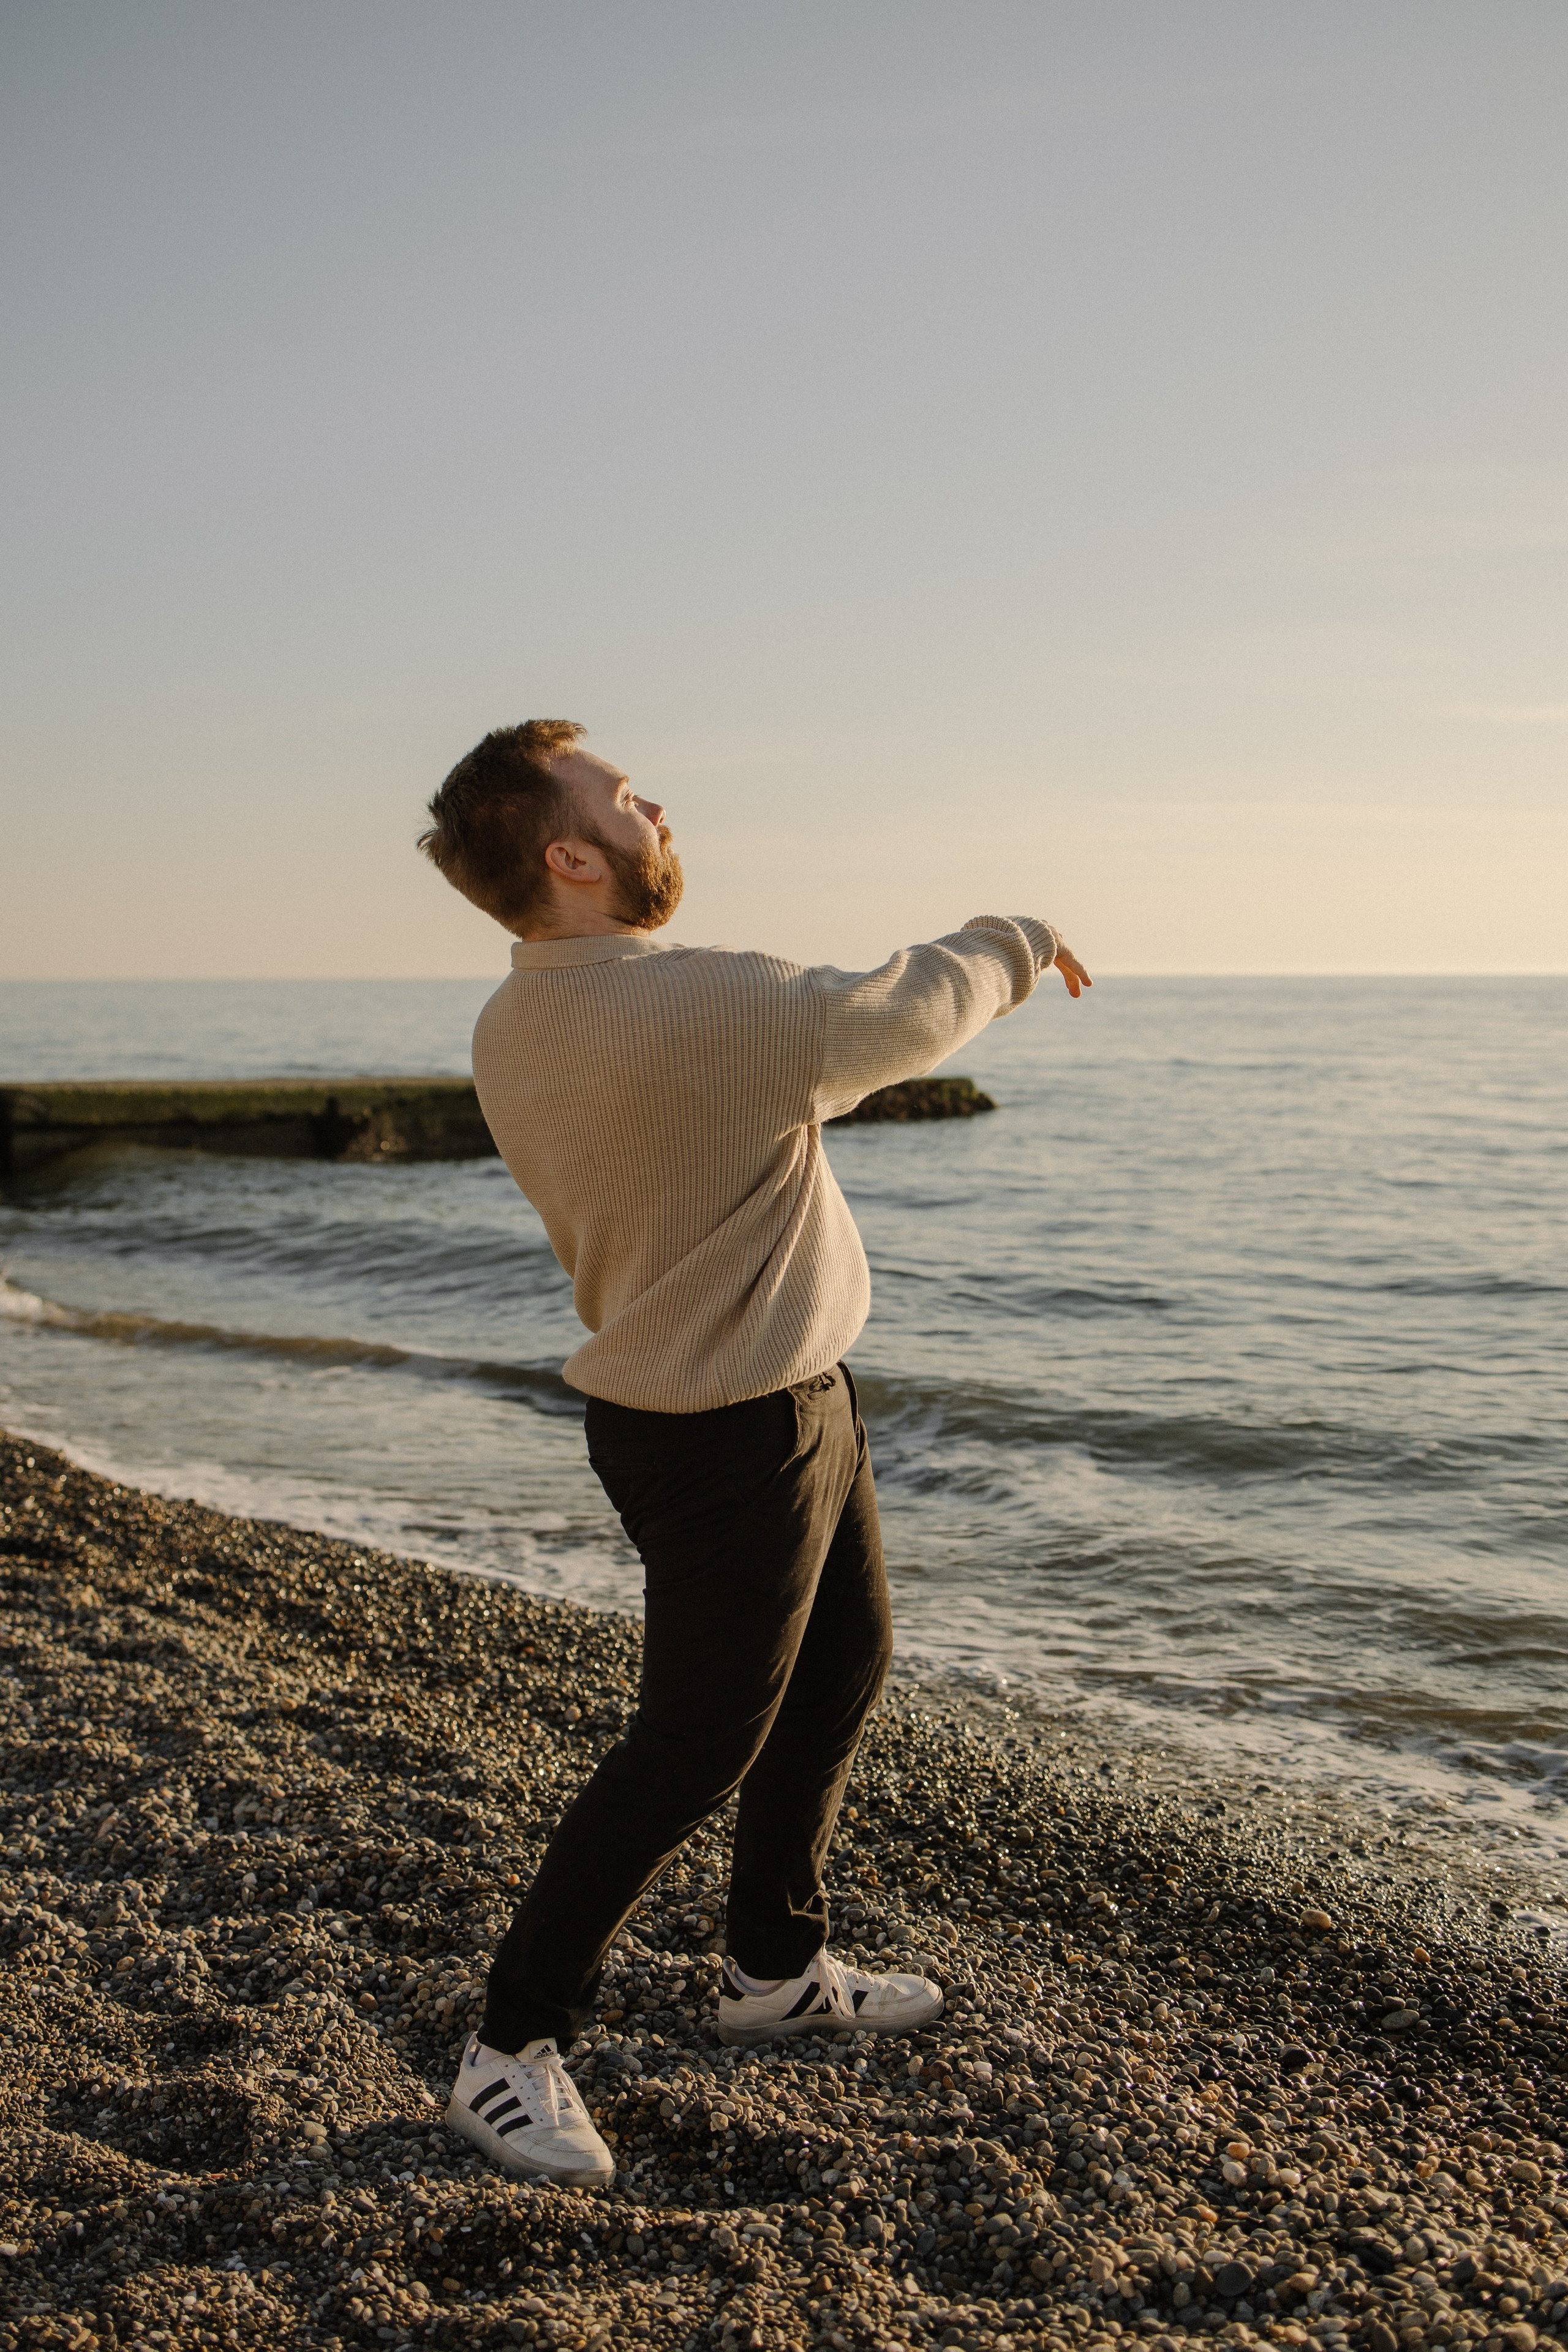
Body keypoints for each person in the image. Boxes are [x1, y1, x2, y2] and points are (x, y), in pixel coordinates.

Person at [417, 719, 1090, 2188]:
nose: (658, 806)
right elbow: (909, 1014)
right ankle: (507, 2049)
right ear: (572, 856)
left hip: (765, 1396)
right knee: (692, 1744)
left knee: (845, 1665)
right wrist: (1016, 934)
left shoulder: (511, 1019)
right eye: (624, 797)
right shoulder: (705, 1007)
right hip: (728, 1426)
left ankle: (775, 1971)